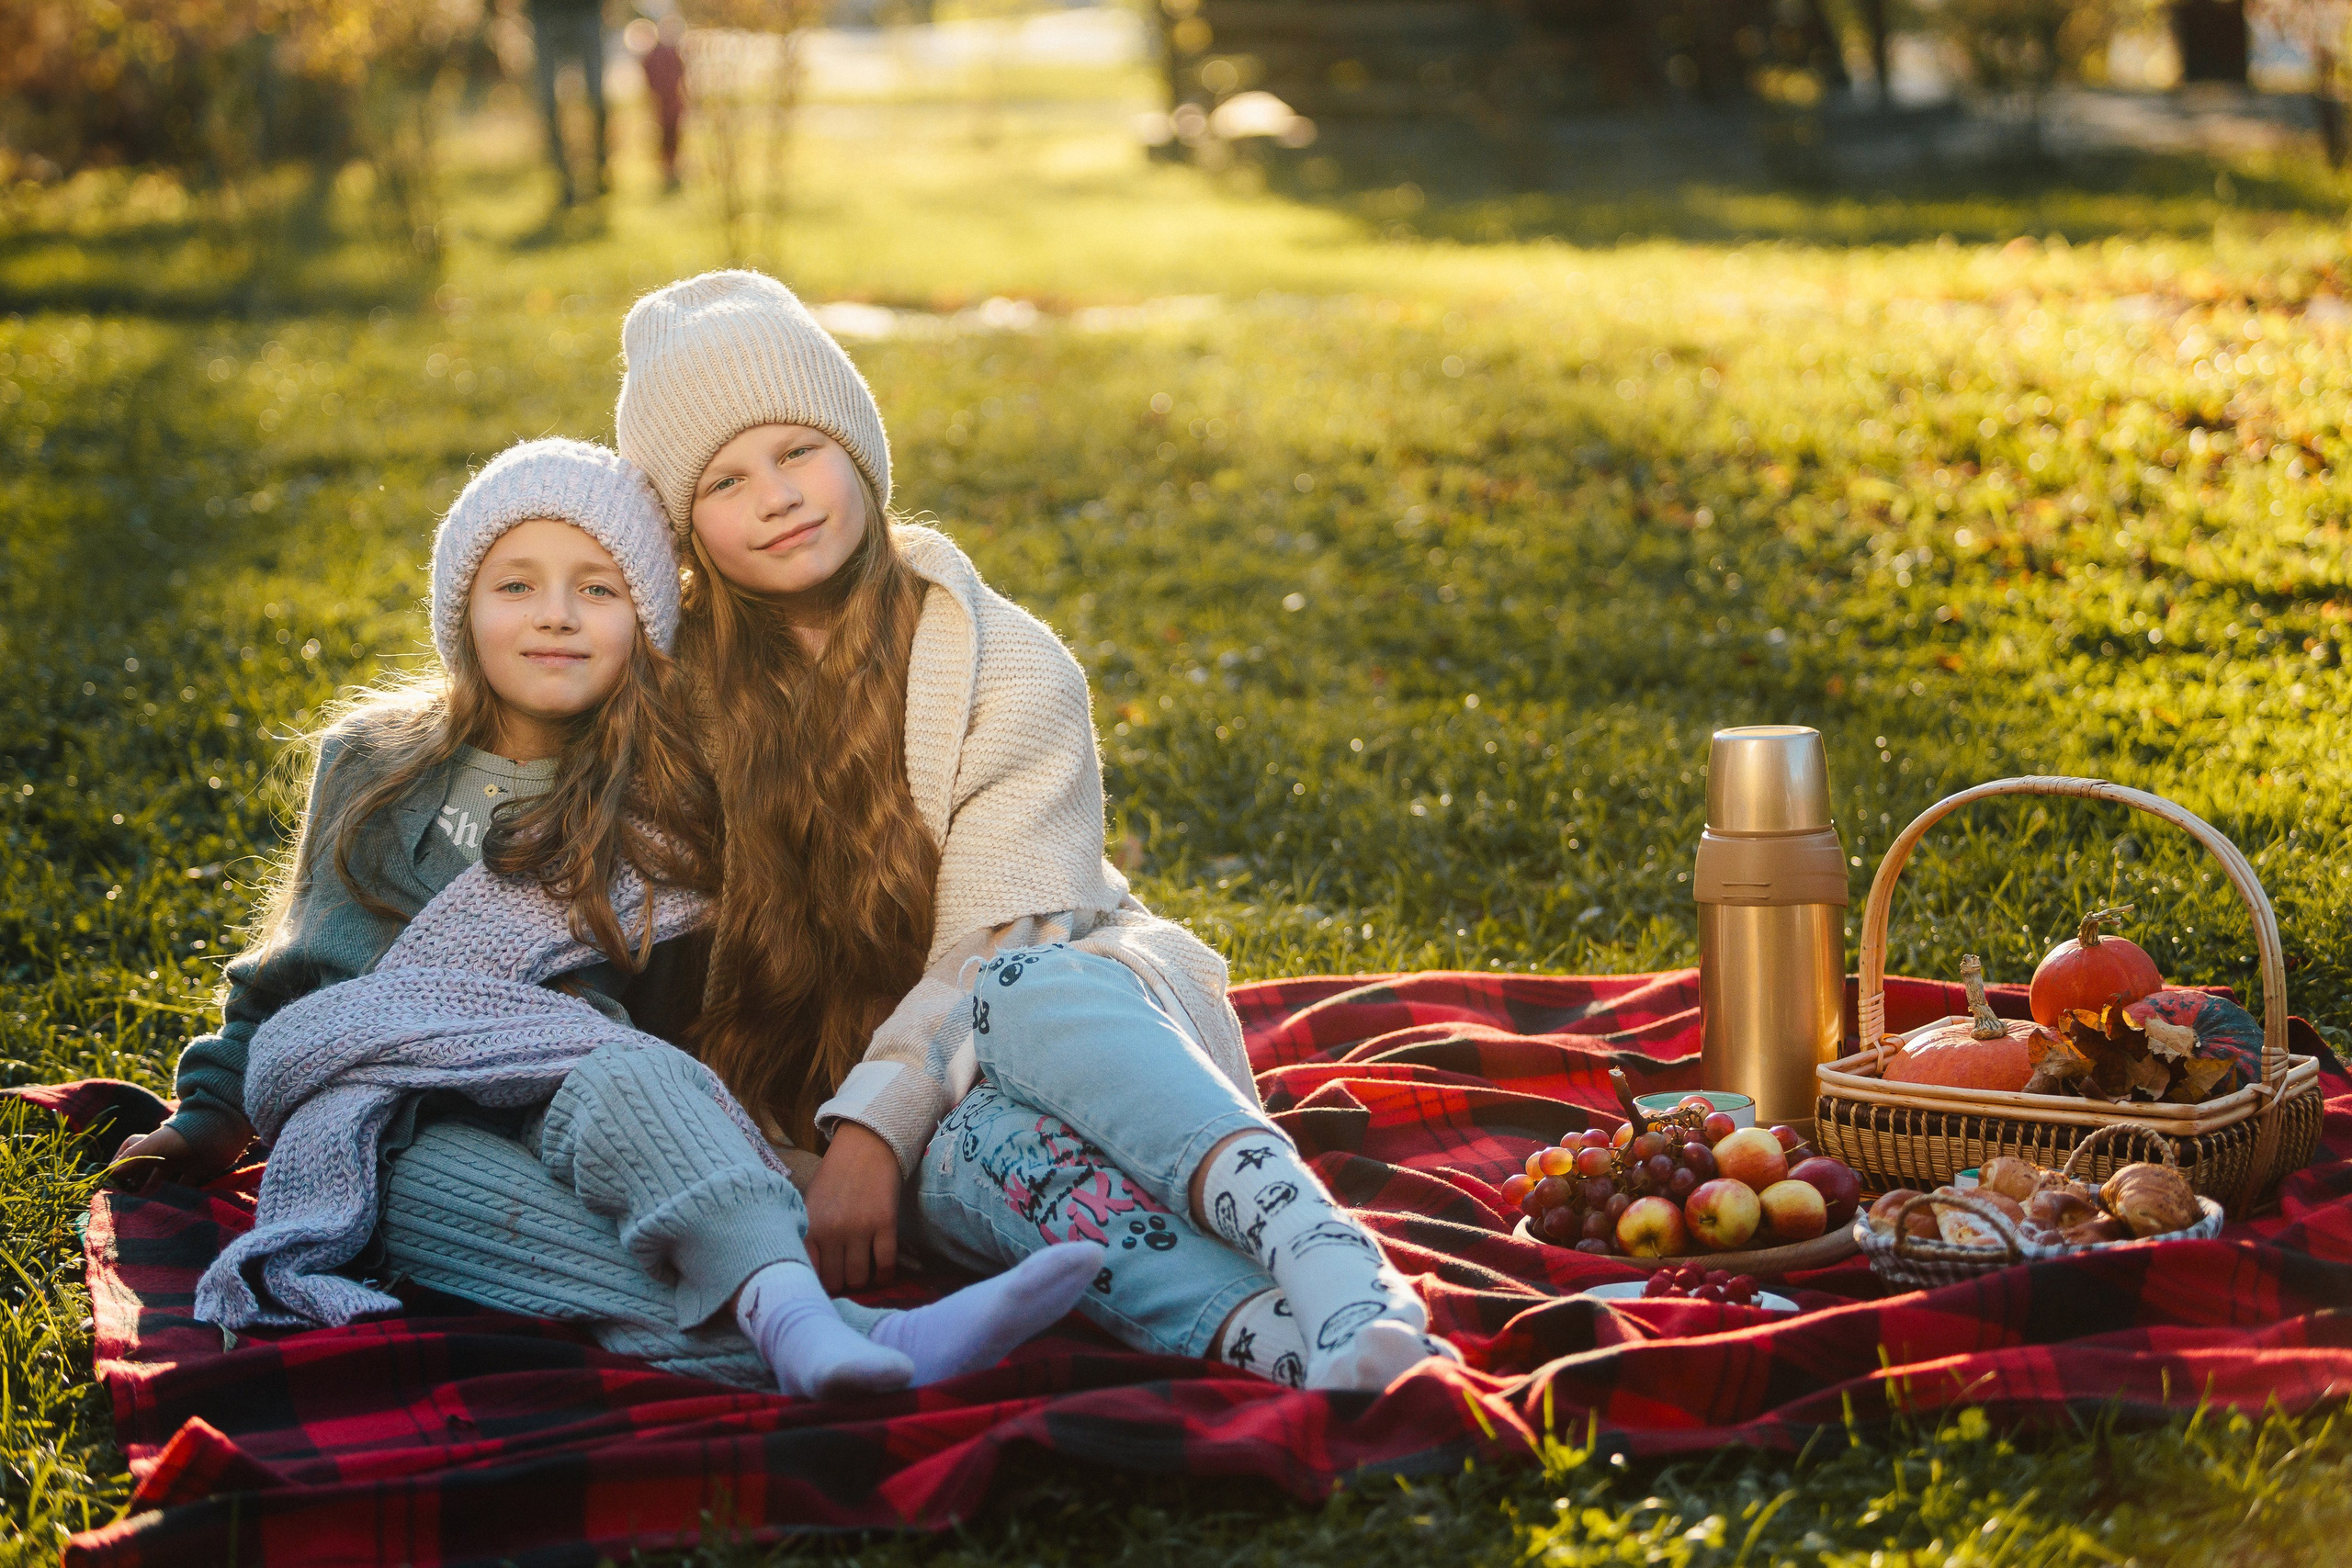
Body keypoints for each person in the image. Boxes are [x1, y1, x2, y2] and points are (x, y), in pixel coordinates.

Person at [614, 270, 1463, 1393]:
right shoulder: (678, 712)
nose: (776, 495)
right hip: (907, 1127)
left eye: (798, 451)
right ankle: (1280, 1342)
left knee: (1029, 990)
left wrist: (872, 1126)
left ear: (858, 451)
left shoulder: (1002, 661)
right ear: (684, 532)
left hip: (1081, 1025)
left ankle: (1321, 1249)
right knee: (991, 1157)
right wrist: (844, 1148)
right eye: (725, 479)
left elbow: (1003, 938)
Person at [119, 437, 1098, 1398]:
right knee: (525, 1234)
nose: (556, 617)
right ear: (461, 608)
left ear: (646, 621)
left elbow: (687, 1024)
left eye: (598, 588)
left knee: (637, 1074)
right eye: (517, 586)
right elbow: (289, 973)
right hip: (381, 1122)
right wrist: (207, 1119)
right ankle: (858, 1339)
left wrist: (772, 1146)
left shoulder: (654, 803)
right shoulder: (372, 763)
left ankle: (801, 1316)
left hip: (564, 1076)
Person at [531, 0, 611, 205]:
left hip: (585, 10)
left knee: (597, 98)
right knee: (547, 103)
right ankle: (564, 182)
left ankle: (602, 171)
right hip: (544, 12)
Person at [632, 13, 688, 192]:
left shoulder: (672, 54)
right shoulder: (654, 56)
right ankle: (667, 171)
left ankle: (672, 169)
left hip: (671, 103)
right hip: (661, 104)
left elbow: (681, 78)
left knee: (673, 136)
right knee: (665, 137)